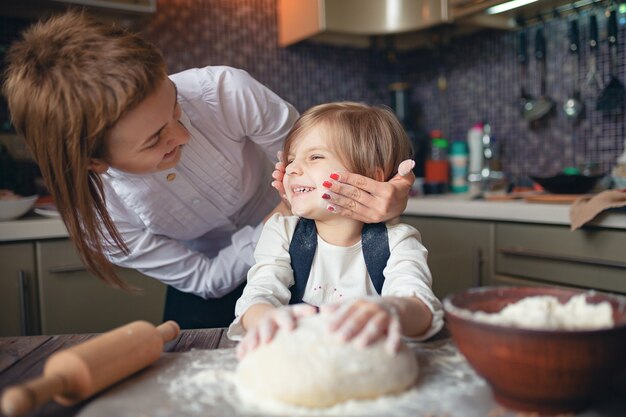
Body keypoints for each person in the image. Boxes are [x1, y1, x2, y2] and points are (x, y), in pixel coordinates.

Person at [3, 12, 416, 328]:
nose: (182, 136)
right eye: (154, 141)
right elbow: (204, 278)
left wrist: (379, 191)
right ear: (94, 161)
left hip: (311, 241)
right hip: (211, 281)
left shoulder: (224, 91)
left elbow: (319, 156)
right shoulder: (101, 215)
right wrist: (277, 222)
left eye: (176, 108)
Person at [230, 102, 443, 357]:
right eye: (290, 159)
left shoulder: (398, 241)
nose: (292, 169)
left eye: (315, 157)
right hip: (301, 360)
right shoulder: (281, 233)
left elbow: (421, 309)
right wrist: (263, 318)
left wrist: (391, 311)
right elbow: (259, 295)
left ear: (369, 177)